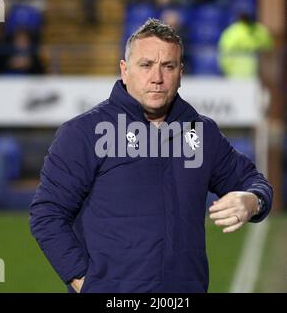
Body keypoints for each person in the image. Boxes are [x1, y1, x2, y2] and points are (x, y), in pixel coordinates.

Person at [29, 18, 273, 293]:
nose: (156, 78)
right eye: (146, 65)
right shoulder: (84, 133)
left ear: (180, 73)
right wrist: (84, 283)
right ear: (125, 70)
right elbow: (47, 214)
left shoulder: (201, 133)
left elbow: (254, 182)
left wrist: (253, 201)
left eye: (168, 67)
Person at [218, 12, 273, 78]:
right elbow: (270, 56)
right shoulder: (262, 31)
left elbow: (270, 55)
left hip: (245, 76)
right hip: (245, 76)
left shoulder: (230, 32)